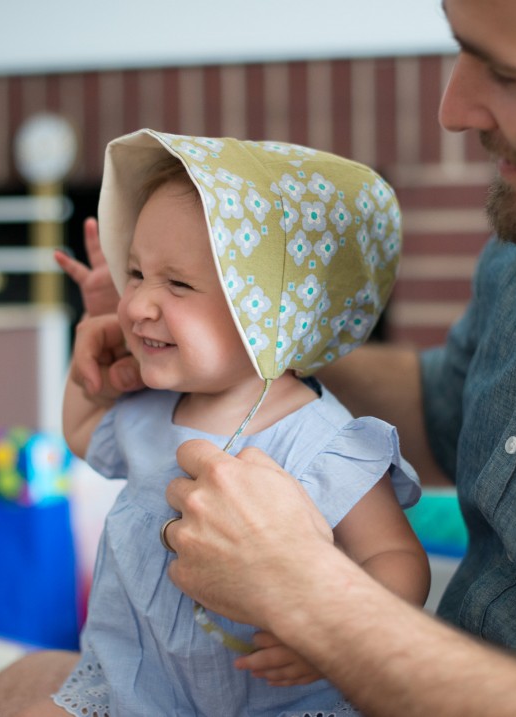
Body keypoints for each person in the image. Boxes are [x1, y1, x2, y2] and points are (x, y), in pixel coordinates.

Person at [0, 0, 516, 714]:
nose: (453, 107)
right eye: (458, 44)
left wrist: (310, 595)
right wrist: (223, 341)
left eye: (504, 73)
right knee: (10, 689)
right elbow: (449, 407)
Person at [28, 130, 429, 717]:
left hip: (280, 704)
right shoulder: (151, 406)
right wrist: (94, 328)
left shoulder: (321, 441)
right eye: (135, 274)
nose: (138, 303)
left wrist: (337, 637)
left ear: (275, 313)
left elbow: (396, 559)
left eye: (179, 284)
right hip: (136, 690)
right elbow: (83, 429)